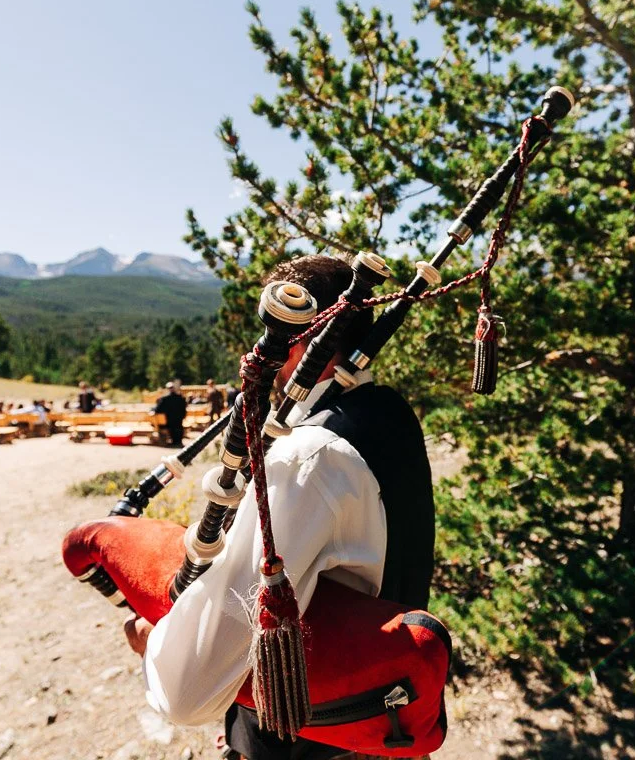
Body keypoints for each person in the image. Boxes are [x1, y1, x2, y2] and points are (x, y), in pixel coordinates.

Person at [126, 256, 435, 760]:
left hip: (305, 743)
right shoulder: (390, 412)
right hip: (383, 724)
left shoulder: (306, 456)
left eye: (272, 327)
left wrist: (154, 642)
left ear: (297, 338)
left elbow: (187, 694)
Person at [153, 381, 188, 447]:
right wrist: (183, 415)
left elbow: (158, 409)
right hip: (179, 417)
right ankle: (178, 442)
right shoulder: (180, 397)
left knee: (173, 429)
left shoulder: (165, 399)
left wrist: (154, 410)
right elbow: (184, 407)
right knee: (179, 428)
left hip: (170, 417)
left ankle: (175, 442)